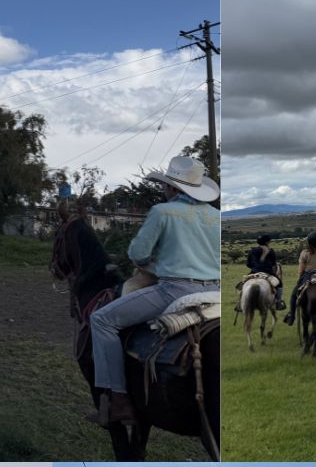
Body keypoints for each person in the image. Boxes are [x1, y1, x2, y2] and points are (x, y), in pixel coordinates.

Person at [84, 155, 220, 427]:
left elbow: (138, 252)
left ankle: (118, 401)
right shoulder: (217, 216)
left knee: (102, 321)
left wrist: (154, 261)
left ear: (171, 188)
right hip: (216, 292)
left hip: (175, 291)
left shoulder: (162, 212)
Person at [286, 233, 316, 326]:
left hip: (308, 275)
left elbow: (301, 270)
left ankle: (292, 316)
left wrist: (299, 279)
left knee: (294, 295)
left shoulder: (304, 253)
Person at [245, 233, 284, 311]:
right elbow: (273, 264)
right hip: (268, 272)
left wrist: (255, 267)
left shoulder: (252, 251)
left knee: (243, 283)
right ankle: (278, 302)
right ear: (267, 242)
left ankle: (240, 303)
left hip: (254, 272)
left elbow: (248, 264)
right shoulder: (271, 251)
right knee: (279, 284)